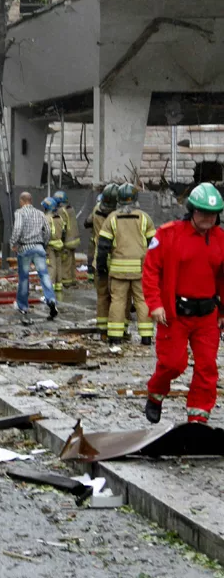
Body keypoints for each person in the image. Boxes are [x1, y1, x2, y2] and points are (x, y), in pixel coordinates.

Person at [143, 182, 224, 424]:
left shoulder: (220, 239)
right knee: (172, 364)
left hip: (207, 315)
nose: (208, 218)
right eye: (203, 212)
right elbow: (150, 270)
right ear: (192, 211)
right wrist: (155, 304)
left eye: (212, 214)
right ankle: (156, 393)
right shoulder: (168, 234)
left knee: (207, 368)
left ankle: (198, 418)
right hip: (174, 314)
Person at [97, 183, 156, 345]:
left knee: (118, 301)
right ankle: (146, 336)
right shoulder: (145, 218)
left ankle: (115, 336)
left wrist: (101, 267)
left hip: (118, 270)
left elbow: (103, 246)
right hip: (140, 270)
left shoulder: (112, 218)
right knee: (142, 301)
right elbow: (154, 245)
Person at [10, 192, 59, 320]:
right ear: (31, 200)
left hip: (25, 248)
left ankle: (22, 306)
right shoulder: (40, 213)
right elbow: (47, 230)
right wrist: (44, 244)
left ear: (21, 201)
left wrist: (13, 243)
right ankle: (51, 300)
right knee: (44, 275)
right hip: (39, 247)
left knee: (24, 278)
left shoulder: (19, 213)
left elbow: (17, 229)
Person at [85, 184, 119, 339]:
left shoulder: (96, 209)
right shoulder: (119, 215)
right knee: (118, 296)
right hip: (117, 258)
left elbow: (87, 222)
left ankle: (102, 328)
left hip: (99, 257)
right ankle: (118, 328)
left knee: (102, 295)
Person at [54, 190, 80, 287]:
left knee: (65, 262)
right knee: (71, 261)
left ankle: (66, 282)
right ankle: (73, 279)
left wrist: (61, 241)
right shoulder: (70, 208)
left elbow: (63, 227)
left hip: (67, 241)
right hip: (74, 239)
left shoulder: (61, 211)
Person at [43, 197, 65, 287]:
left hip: (50, 245)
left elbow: (45, 233)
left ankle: (50, 285)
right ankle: (58, 284)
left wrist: (43, 244)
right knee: (58, 264)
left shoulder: (46, 218)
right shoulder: (59, 218)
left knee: (51, 265)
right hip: (59, 244)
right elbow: (63, 231)